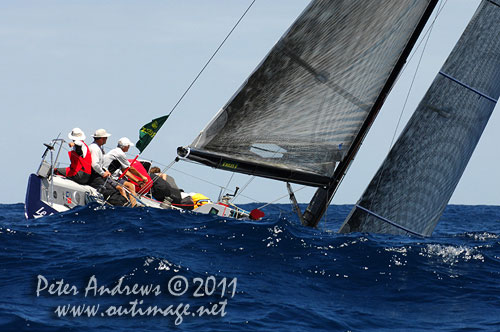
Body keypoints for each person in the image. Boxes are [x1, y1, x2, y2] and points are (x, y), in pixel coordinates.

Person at [103, 137, 149, 207]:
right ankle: (125, 205)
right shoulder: (120, 154)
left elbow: (125, 171)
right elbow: (130, 168)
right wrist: (142, 177)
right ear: (125, 146)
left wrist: (137, 181)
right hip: (108, 176)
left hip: (114, 177)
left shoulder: (116, 151)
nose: (129, 147)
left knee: (131, 185)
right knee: (122, 189)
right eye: (128, 146)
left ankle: (134, 205)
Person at [87, 129, 128, 206]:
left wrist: (105, 171)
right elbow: (95, 164)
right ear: (102, 138)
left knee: (118, 188)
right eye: (106, 138)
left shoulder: (98, 147)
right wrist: (103, 173)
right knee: (112, 192)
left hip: (99, 175)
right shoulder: (95, 148)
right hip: (95, 176)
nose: (107, 139)